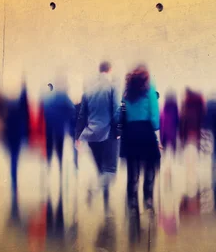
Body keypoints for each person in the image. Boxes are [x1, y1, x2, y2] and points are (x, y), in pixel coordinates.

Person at [75, 61, 120, 203]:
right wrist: (118, 130)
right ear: (110, 69)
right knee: (110, 172)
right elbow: (116, 112)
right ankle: (94, 189)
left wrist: (78, 137)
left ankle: (106, 203)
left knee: (101, 170)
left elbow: (82, 116)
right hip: (108, 135)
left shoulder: (88, 91)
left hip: (92, 136)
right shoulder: (113, 87)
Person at [121, 64, 162, 210]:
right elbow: (154, 115)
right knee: (151, 164)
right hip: (145, 130)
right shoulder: (150, 86)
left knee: (133, 169)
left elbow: (122, 111)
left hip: (130, 132)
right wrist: (156, 127)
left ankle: (132, 199)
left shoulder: (127, 88)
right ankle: (148, 197)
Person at [42, 75, 75, 176]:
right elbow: (72, 110)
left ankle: (48, 167)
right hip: (60, 128)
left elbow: (43, 111)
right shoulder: (64, 96)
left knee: (49, 148)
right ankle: (60, 169)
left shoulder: (47, 97)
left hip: (48, 127)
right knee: (60, 150)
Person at [3, 78, 30, 194]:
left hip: (9, 135)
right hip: (17, 134)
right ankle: (14, 178)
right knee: (15, 156)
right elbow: (25, 105)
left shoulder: (7, 105)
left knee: (13, 157)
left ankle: (13, 178)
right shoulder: (19, 106)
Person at [160, 90, 179, 155]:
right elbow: (177, 121)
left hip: (165, 133)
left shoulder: (164, 109)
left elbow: (162, 121)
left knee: (165, 151)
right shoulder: (175, 109)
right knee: (173, 151)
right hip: (172, 133)